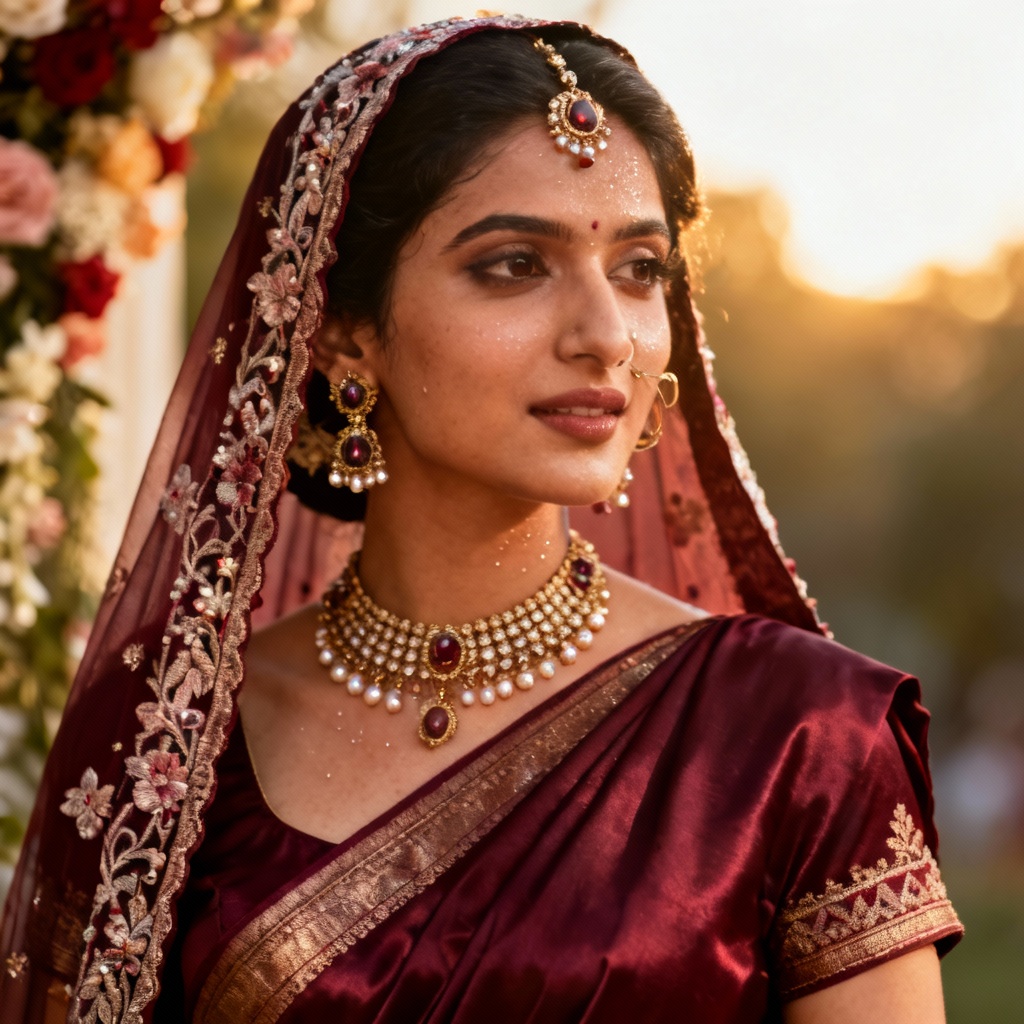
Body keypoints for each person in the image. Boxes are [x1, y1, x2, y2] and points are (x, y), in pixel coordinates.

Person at [0, 14, 961, 1024]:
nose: (607, 337)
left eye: (640, 269)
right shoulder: (165, 731)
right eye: (514, 264)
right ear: (343, 334)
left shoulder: (800, 735)